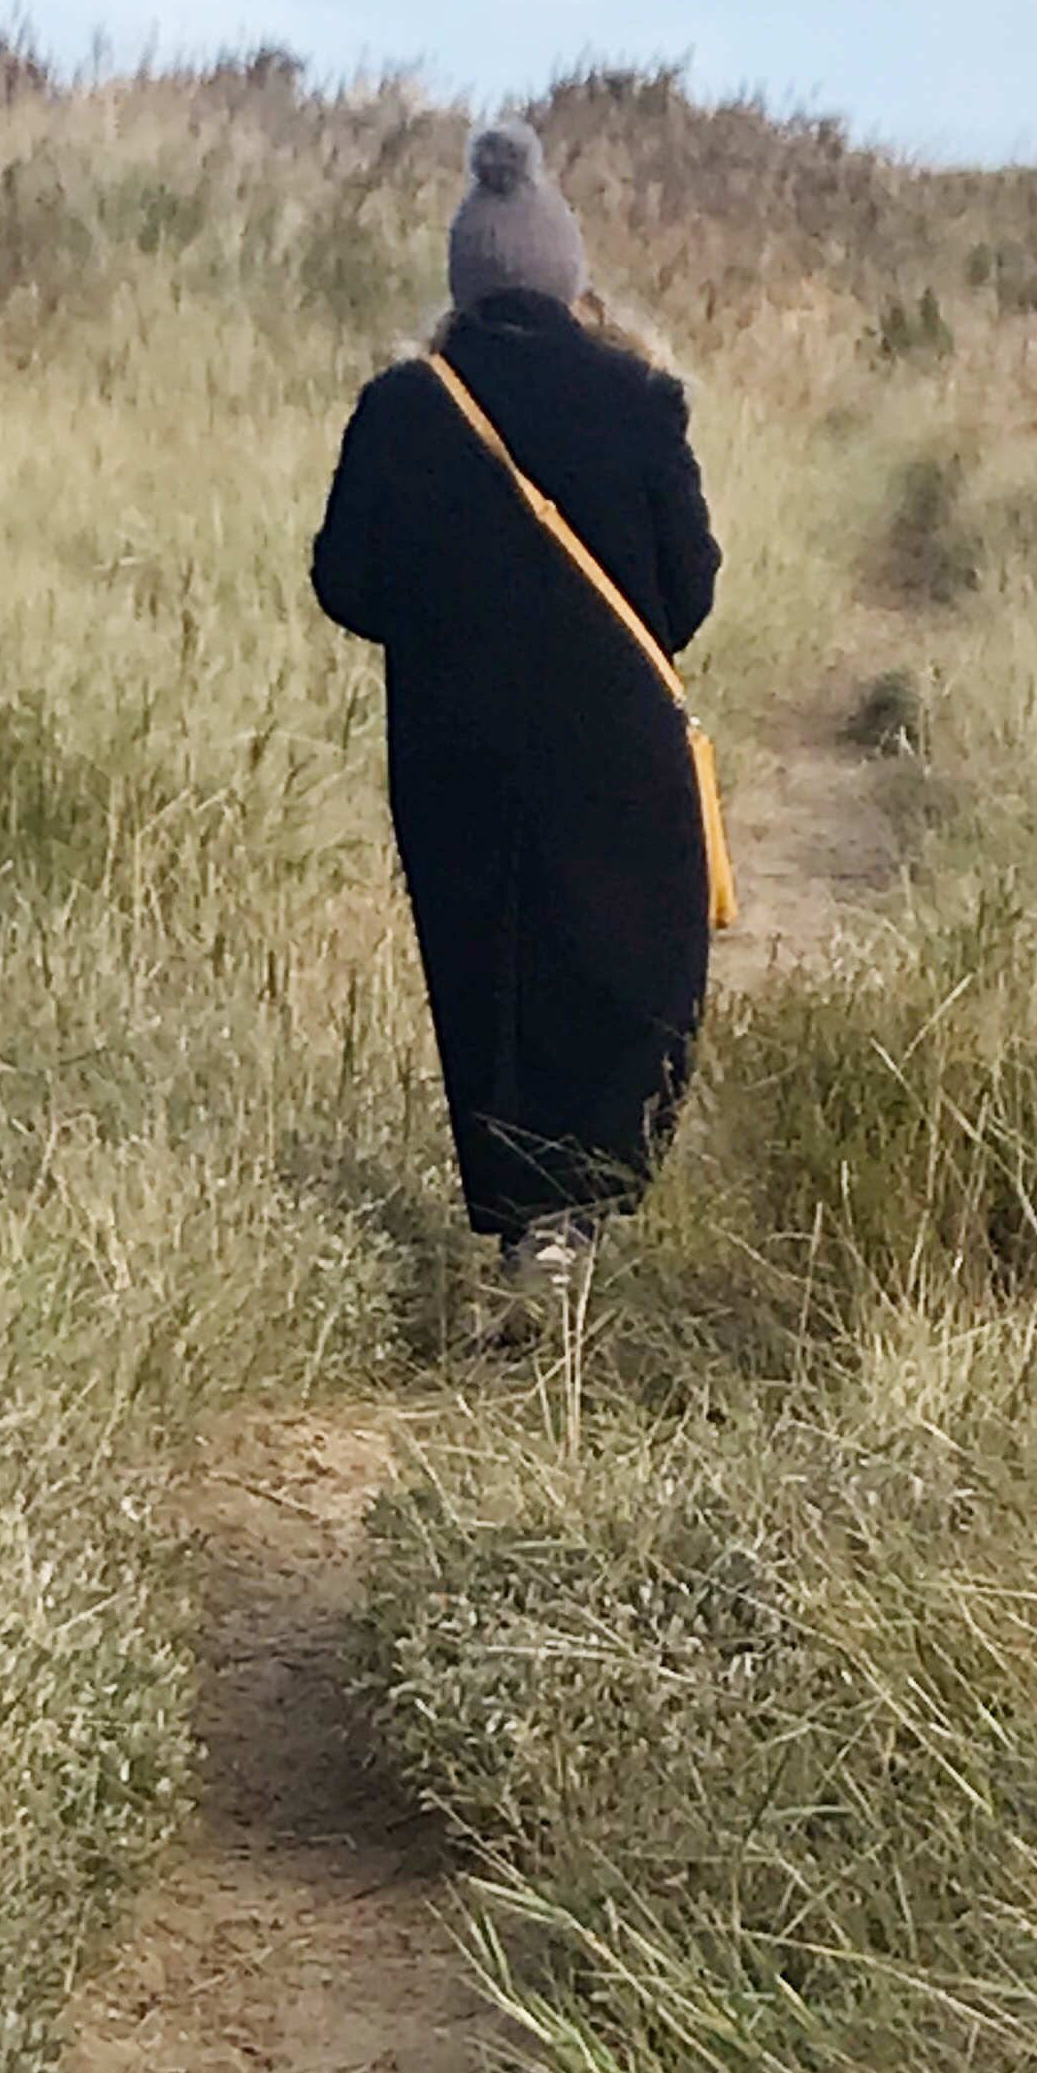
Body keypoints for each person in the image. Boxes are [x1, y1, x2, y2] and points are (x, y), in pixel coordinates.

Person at [310, 120, 723, 1289]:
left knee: (483, 964)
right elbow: (684, 595)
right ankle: (579, 1216)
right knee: (624, 964)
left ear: (465, 275)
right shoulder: (642, 400)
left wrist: (451, 630)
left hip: (451, 747)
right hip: (616, 744)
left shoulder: (400, 407)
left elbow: (347, 584)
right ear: (565, 270)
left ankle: (515, 1218)